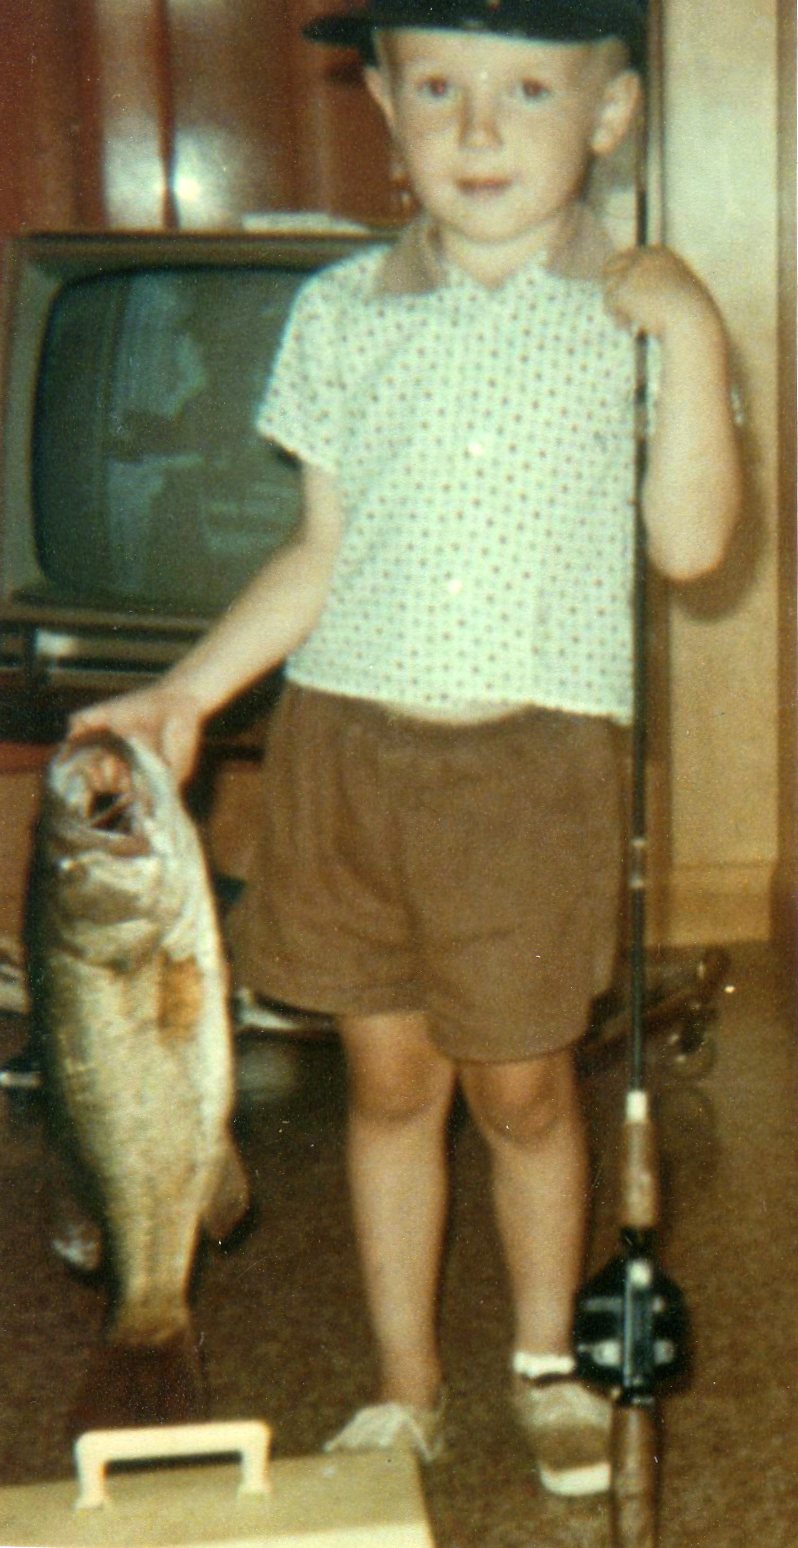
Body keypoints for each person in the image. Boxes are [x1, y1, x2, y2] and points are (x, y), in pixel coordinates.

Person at [70, 0, 741, 1498]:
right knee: (387, 1090)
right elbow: (320, 551)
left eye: (527, 92)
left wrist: (693, 334)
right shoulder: (341, 312)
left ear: (611, 115)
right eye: (436, 87)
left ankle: (544, 1362)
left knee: (520, 1094)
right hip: (345, 758)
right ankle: (403, 1384)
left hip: (526, 776)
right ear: (384, 105)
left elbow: (695, 549)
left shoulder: (630, 311)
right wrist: (185, 693)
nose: (477, 130)